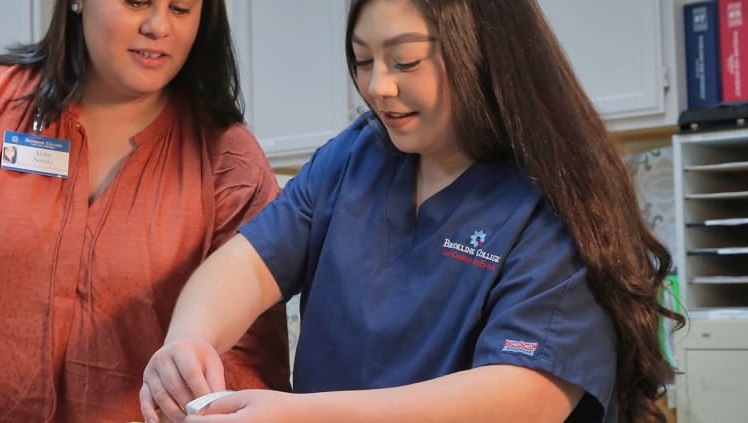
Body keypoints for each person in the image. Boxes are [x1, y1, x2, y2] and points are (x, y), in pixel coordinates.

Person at [139, 0, 684, 422]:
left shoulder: (553, 204)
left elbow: (529, 398)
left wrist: (305, 414)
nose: (379, 85)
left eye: (406, 60)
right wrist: (189, 339)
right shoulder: (356, 158)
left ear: (485, 51)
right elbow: (246, 264)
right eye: (362, 59)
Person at [0, 0, 291, 422]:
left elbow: (250, 363)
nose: (158, 26)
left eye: (181, 8)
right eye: (136, 1)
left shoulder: (228, 159)